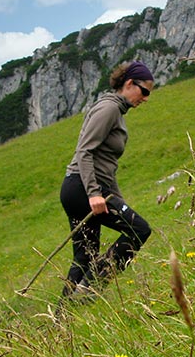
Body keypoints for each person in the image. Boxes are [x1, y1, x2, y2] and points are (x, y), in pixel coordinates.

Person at [58, 60, 154, 302]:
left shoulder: (113, 109)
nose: (145, 99)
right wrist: (93, 193)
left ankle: (61, 319)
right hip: (82, 187)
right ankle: (89, 290)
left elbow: (105, 168)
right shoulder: (109, 109)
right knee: (139, 229)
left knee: (84, 256)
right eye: (144, 91)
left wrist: (114, 197)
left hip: (78, 187)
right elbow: (84, 151)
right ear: (129, 83)